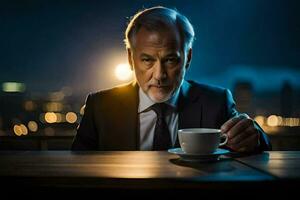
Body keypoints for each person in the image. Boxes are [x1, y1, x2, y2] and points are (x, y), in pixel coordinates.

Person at [71, 6, 271, 152]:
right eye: (147, 60)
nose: (159, 75)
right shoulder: (100, 106)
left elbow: (256, 146)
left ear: (188, 59)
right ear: (130, 59)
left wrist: (255, 137)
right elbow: (77, 167)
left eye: (170, 60)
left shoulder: (216, 102)